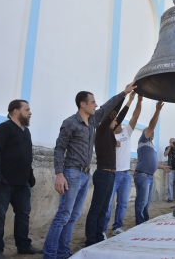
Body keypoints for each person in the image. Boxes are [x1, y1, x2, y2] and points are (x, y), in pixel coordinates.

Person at [42, 81, 136, 259]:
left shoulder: (92, 121)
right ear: (82, 104)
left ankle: (62, 252)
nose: (96, 104)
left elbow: (109, 106)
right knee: (63, 215)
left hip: (85, 174)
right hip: (71, 173)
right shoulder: (70, 123)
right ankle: (49, 254)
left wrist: (124, 93)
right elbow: (59, 148)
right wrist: (59, 174)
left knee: (73, 216)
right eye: (92, 102)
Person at [0, 100, 43, 259]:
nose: (30, 113)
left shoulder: (26, 132)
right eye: (27, 110)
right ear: (16, 111)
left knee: (23, 214)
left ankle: (23, 245)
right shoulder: (3, 128)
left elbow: (26, 155)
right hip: (3, 181)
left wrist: (30, 174)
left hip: (22, 183)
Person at [84, 91, 134, 246]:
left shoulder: (111, 135)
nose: (117, 122)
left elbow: (119, 116)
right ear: (108, 121)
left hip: (111, 176)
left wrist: (130, 101)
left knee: (104, 208)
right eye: (114, 121)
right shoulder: (101, 131)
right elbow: (115, 113)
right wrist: (125, 96)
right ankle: (91, 239)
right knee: (97, 208)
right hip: (103, 174)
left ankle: (99, 237)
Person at [103, 93, 143, 237]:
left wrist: (139, 100)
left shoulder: (127, 131)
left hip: (126, 174)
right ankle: (102, 230)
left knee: (123, 204)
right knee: (107, 205)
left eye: (119, 120)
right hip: (112, 174)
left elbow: (136, 116)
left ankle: (117, 227)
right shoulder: (108, 136)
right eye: (115, 121)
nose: (118, 122)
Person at [134, 100, 171, 225]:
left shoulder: (152, 146)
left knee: (147, 201)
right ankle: (140, 223)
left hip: (149, 176)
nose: (153, 133)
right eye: (151, 132)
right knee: (142, 201)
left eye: (154, 133)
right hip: (143, 175)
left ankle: (144, 222)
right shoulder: (144, 139)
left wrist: (161, 167)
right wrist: (157, 110)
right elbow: (152, 125)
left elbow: (151, 162)